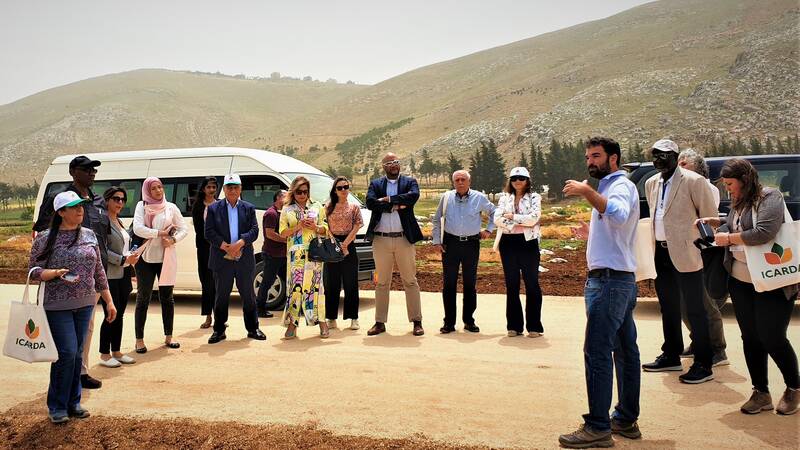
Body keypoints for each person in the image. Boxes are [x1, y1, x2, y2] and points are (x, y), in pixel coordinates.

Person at [559, 137, 641, 448]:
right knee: (624, 352)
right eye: (588, 157)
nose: (590, 162)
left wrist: (585, 191)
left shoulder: (617, 185)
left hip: (608, 283)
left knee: (597, 353)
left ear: (614, 158)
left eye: (596, 156)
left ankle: (597, 427)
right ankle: (625, 419)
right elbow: (615, 225)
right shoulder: (610, 186)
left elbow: (618, 215)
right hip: (619, 279)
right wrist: (591, 230)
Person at [699, 158, 799, 415]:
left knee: (773, 337)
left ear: (745, 180)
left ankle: (794, 388)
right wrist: (718, 222)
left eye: (731, 184)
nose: (728, 190)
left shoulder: (770, 197)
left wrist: (728, 237)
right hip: (741, 282)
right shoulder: (739, 201)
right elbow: (739, 225)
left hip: (771, 282)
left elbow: (764, 231)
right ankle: (761, 392)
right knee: (751, 338)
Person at [28, 191, 116, 423]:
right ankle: (56, 405)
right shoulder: (45, 238)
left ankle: (73, 402)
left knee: (77, 355)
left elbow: (98, 269)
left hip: (86, 302)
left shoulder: (88, 234)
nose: (80, 210)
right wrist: (53, 274)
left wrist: (108, 300)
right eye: (74, 207)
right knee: (66, 353)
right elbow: (33, 271)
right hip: (57, 305)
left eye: (81, 206)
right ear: (60, 212)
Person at [641, 139, 717, 384]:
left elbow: (709, 218)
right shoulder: (652, 183)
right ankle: (671, 354)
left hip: (687, 252)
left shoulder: (694, 181)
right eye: (655, 156)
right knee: (668, 306)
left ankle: (704, 362)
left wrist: (703, 247)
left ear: (675, 156)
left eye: (663, 155)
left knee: (695, 309)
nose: (658, 160)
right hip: (660, 253)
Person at [33, 155, 110, 389]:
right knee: (67, 345)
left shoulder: (97, 200)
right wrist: (55, 267)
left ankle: (81, 373)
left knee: (86, 330)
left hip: (91, 276)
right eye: (86, 169)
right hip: (62, 284)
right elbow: (42, 233)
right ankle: (64, 388)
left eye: (93, 170)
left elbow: (103, 233)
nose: (91, 174)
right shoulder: (59, 198)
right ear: (73, 171)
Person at [676, 149, 728, 366]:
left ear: (697, 166)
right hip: (686, 251)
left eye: (684, 163)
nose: (679, 166)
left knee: (705, 302)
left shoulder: (705, 187)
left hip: (705, 252)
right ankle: (699, 340)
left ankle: (718, 349)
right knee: (685, 302)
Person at [365, 153, 424, 336]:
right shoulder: (376, 184)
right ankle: (379, 322)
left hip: (403, 239)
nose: (394, 165)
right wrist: (396, 206)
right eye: (390, 163)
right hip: (381, 240)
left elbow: (413, 197)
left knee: (410, 280)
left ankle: (416, 321)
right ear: (384, 166)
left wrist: (388, 200)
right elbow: (370, 203)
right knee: (382, 282)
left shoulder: (409, 182)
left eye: (396, 162)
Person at [205, 174, 266, 344]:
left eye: (236, 187)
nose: (232, 190)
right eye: (229, 187)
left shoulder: (249, 208)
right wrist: (225, 246)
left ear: (240, 189)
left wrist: (240, 243)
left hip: (243, 258)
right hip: (221, 259)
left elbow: (254, 230)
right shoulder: (213, 208)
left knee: (248, 296)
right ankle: (219, 330)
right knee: (221, 296)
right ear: (224, 189)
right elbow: (208, 232)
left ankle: (253, 328)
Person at [432, 170, 494, 333]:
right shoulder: (446, 198)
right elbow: (436, 219)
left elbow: (494, 213)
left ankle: (469, 320)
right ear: (453, 182)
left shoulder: (479, 198)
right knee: (449, 284)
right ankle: (449, 323)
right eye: (457, 180)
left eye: (463, 179)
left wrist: (488, 230)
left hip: (471, 244)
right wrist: (437, 241)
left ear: (469, 181)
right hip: (450, 244)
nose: (460, 182)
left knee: (469, 284)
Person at [132, 177, 188, 353]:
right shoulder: (142, 206)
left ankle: (169, 337)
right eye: (154, 188)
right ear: (147, 191)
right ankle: (139, 340)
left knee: (167, 299)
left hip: (166, 258)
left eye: (160, 187)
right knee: (143, 299)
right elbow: (137, 229)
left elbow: (184, 228)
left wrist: (172, 239)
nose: (158, 191)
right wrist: (160, 233)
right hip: (146, 259)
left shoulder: (171, 207)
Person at [492, 167, 543, 337]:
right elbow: (497, 219)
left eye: (521, 178)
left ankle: (534, 326)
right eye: (514, 178)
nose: (517, 181)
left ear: (527, 180)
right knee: (512, 284)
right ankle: (513, 325)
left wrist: (512, 217)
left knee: (532, 284)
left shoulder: (535, 197)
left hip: (528, 243)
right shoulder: (504, 198)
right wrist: (520, 221)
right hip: (508, 243)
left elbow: (534, 218)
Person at [279, 176, 330, 339]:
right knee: (295, 289)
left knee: (316, 288)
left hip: (314, 253)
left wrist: (316, 227)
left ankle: (322, 322)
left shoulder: (317, 206)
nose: (302, 195)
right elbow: (282, 233)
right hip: (296, 256)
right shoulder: (287, 210)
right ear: (293, 192)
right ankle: (292, 324)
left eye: (305, 192)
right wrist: (298, 226)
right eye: (299, 192)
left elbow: (327, 228)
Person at [98, 187, 138, 368]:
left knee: (120, 314)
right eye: (116, 199)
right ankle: (105, 354)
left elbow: (123, 245)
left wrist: (131, 255)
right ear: (107, 200)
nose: (120, 202)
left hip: (123, 274)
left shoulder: (119, 221)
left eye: (123, 199)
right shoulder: (103, 221)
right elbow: (102, 250)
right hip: (111, 275)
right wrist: (122, 259)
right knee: (110, 314)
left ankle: (117, 351)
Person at [323, 177, 363, 331]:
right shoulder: (328, 207)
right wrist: (335, 242)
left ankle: (353, 318)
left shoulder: (354, 207)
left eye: (346, 187)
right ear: (335, 190)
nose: (343, 190)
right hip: (332, 245)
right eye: (340, 188)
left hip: (349, 244)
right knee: (331, 284)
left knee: (350, 283)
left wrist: (345, 244)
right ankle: (331, 318)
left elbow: (357, 225)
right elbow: (324, 226)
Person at [255, 190, 288, 319]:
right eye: (286, 196)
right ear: (279, 198)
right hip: (272, 254)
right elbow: (269, 234)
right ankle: (260, 308)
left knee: (287, 280)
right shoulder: (271, 213)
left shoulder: (282, 213)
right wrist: (285, 240)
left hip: (282, 254)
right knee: (267, 282)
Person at [191, 176, 218, 328]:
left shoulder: (221, 204)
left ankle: (220, 317)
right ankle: (208, 317)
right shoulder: (198, 206)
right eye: (209, 187)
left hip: (219, 249)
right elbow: (198, 230)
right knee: (207, 283)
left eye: (214, 187)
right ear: (203, 189)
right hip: (204, 249)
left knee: (219, 283)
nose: (212, 190)